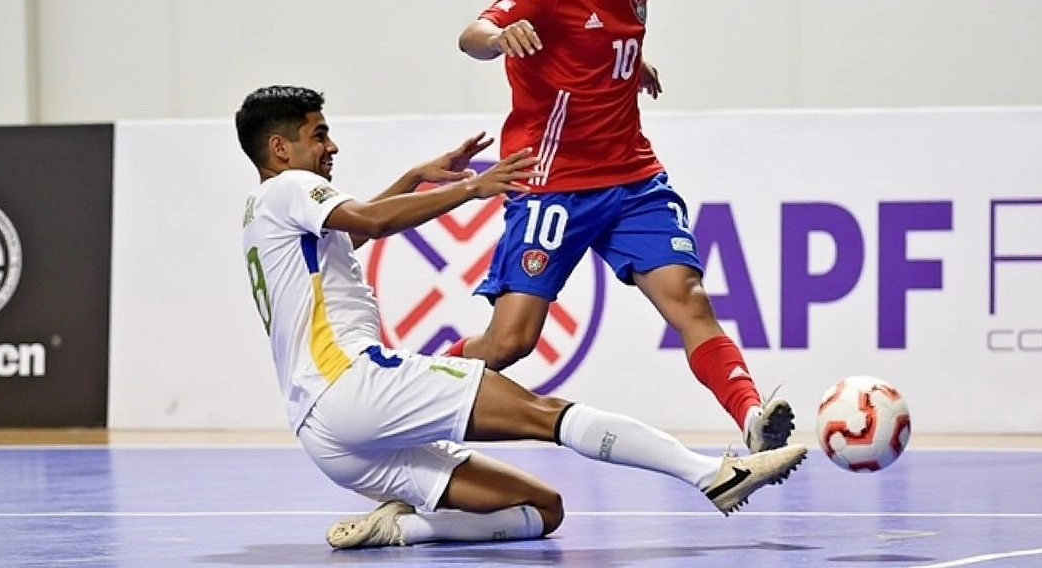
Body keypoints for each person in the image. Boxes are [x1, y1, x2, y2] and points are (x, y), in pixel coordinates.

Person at [235, 85, 807, 549]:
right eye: (319, 134)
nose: (331, 146)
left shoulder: (263, 216)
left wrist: (416, 177)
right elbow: (372, 221)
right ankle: (711, 476)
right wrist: (472, 190)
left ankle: (401, 527)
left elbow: (355, 230)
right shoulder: (292, 186)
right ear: (280, 148)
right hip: (354, 385)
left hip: (327, 436)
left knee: (542, 510)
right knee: (545, 414)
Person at [454, 0, 794, 453]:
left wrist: (630, 63)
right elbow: (472, 34)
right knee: (510, 343)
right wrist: (498, 38)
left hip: (633, 177)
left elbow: (599, 37)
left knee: (689, 298)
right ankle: (406, 387)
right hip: (551, 184)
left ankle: (752, 416)